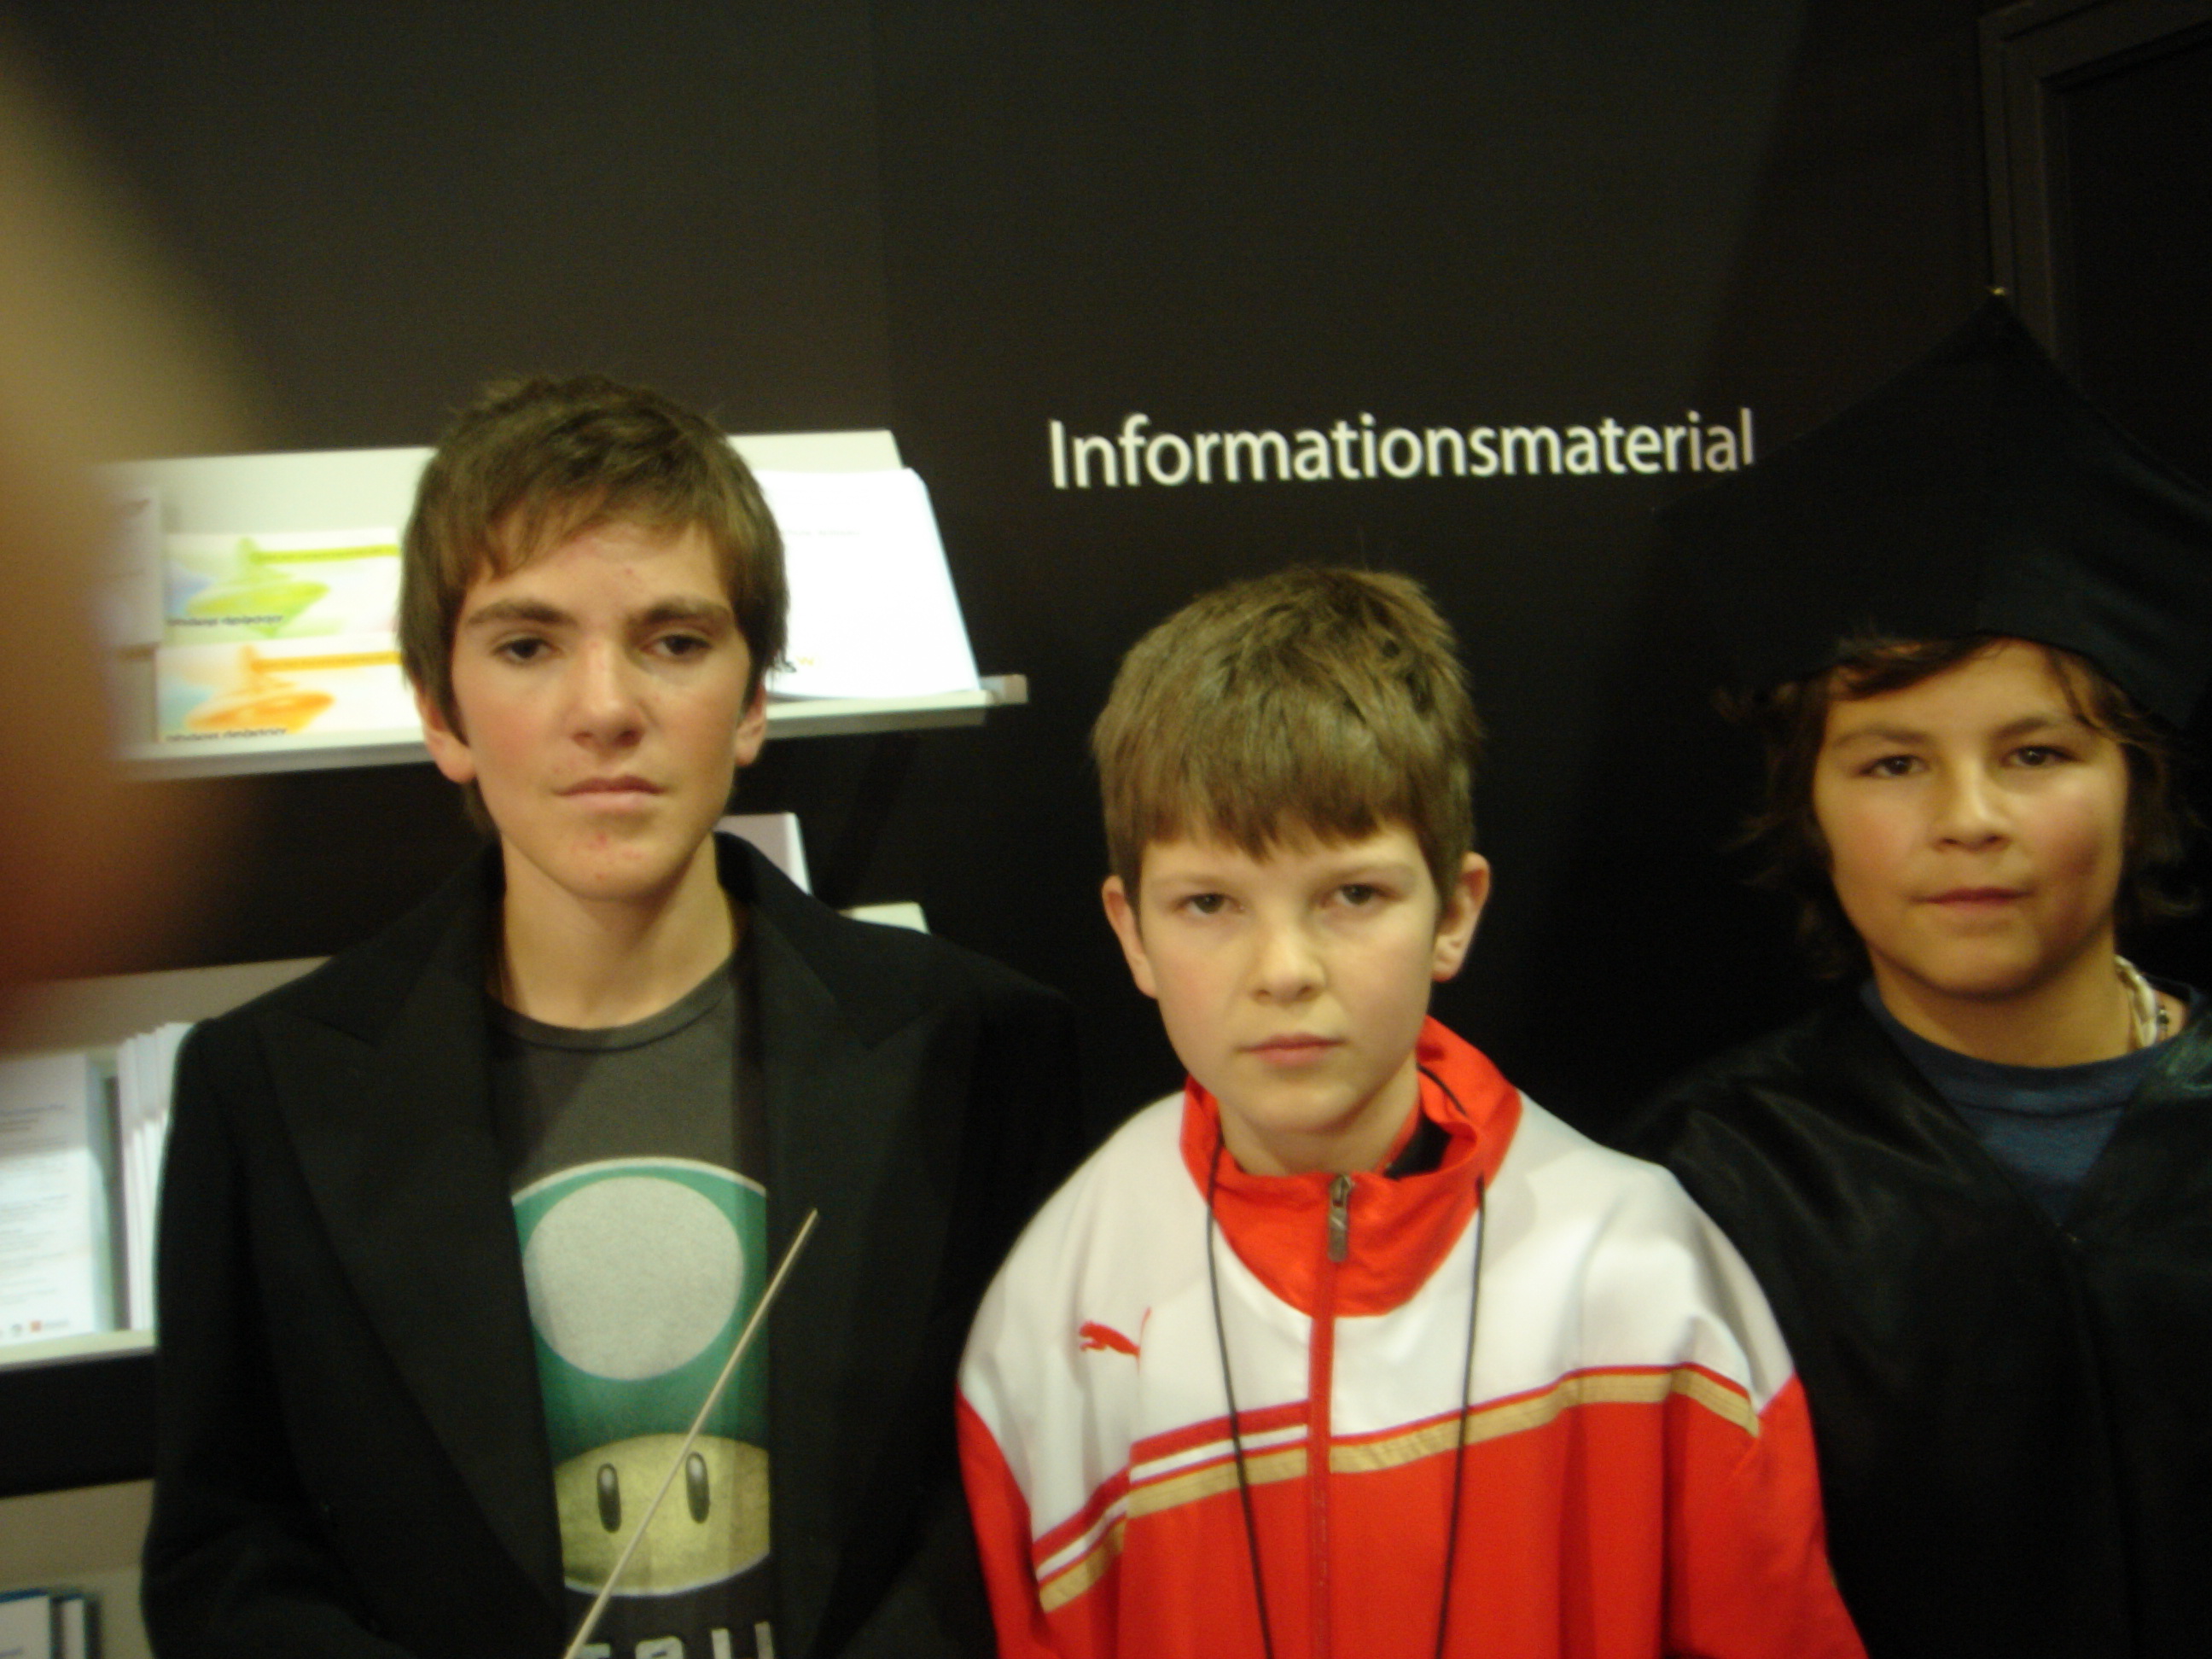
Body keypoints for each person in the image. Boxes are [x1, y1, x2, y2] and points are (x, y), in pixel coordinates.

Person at [141, 375, 1080, 1659]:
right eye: (528, 646)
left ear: (754, 702)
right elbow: (227, 1560)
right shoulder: (265, 1088)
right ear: (439, 711)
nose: (606, 708)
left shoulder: (979, 1046)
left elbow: (1022, 1492)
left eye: (674, 642)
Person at [958, 568, 1864, 1658]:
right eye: (1209, 903)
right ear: (1132, 934)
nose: (1284, 970)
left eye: (1353, 895)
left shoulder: (1641, 1269)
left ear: (1455, 912)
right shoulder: (1063, 1302)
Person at [1623, 300, 2212, 1659]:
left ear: (2138, 785)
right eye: (1893, 763)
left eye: (2036, 755)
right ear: (1811, 804)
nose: (1969, 820)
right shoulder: (1715, 1188)